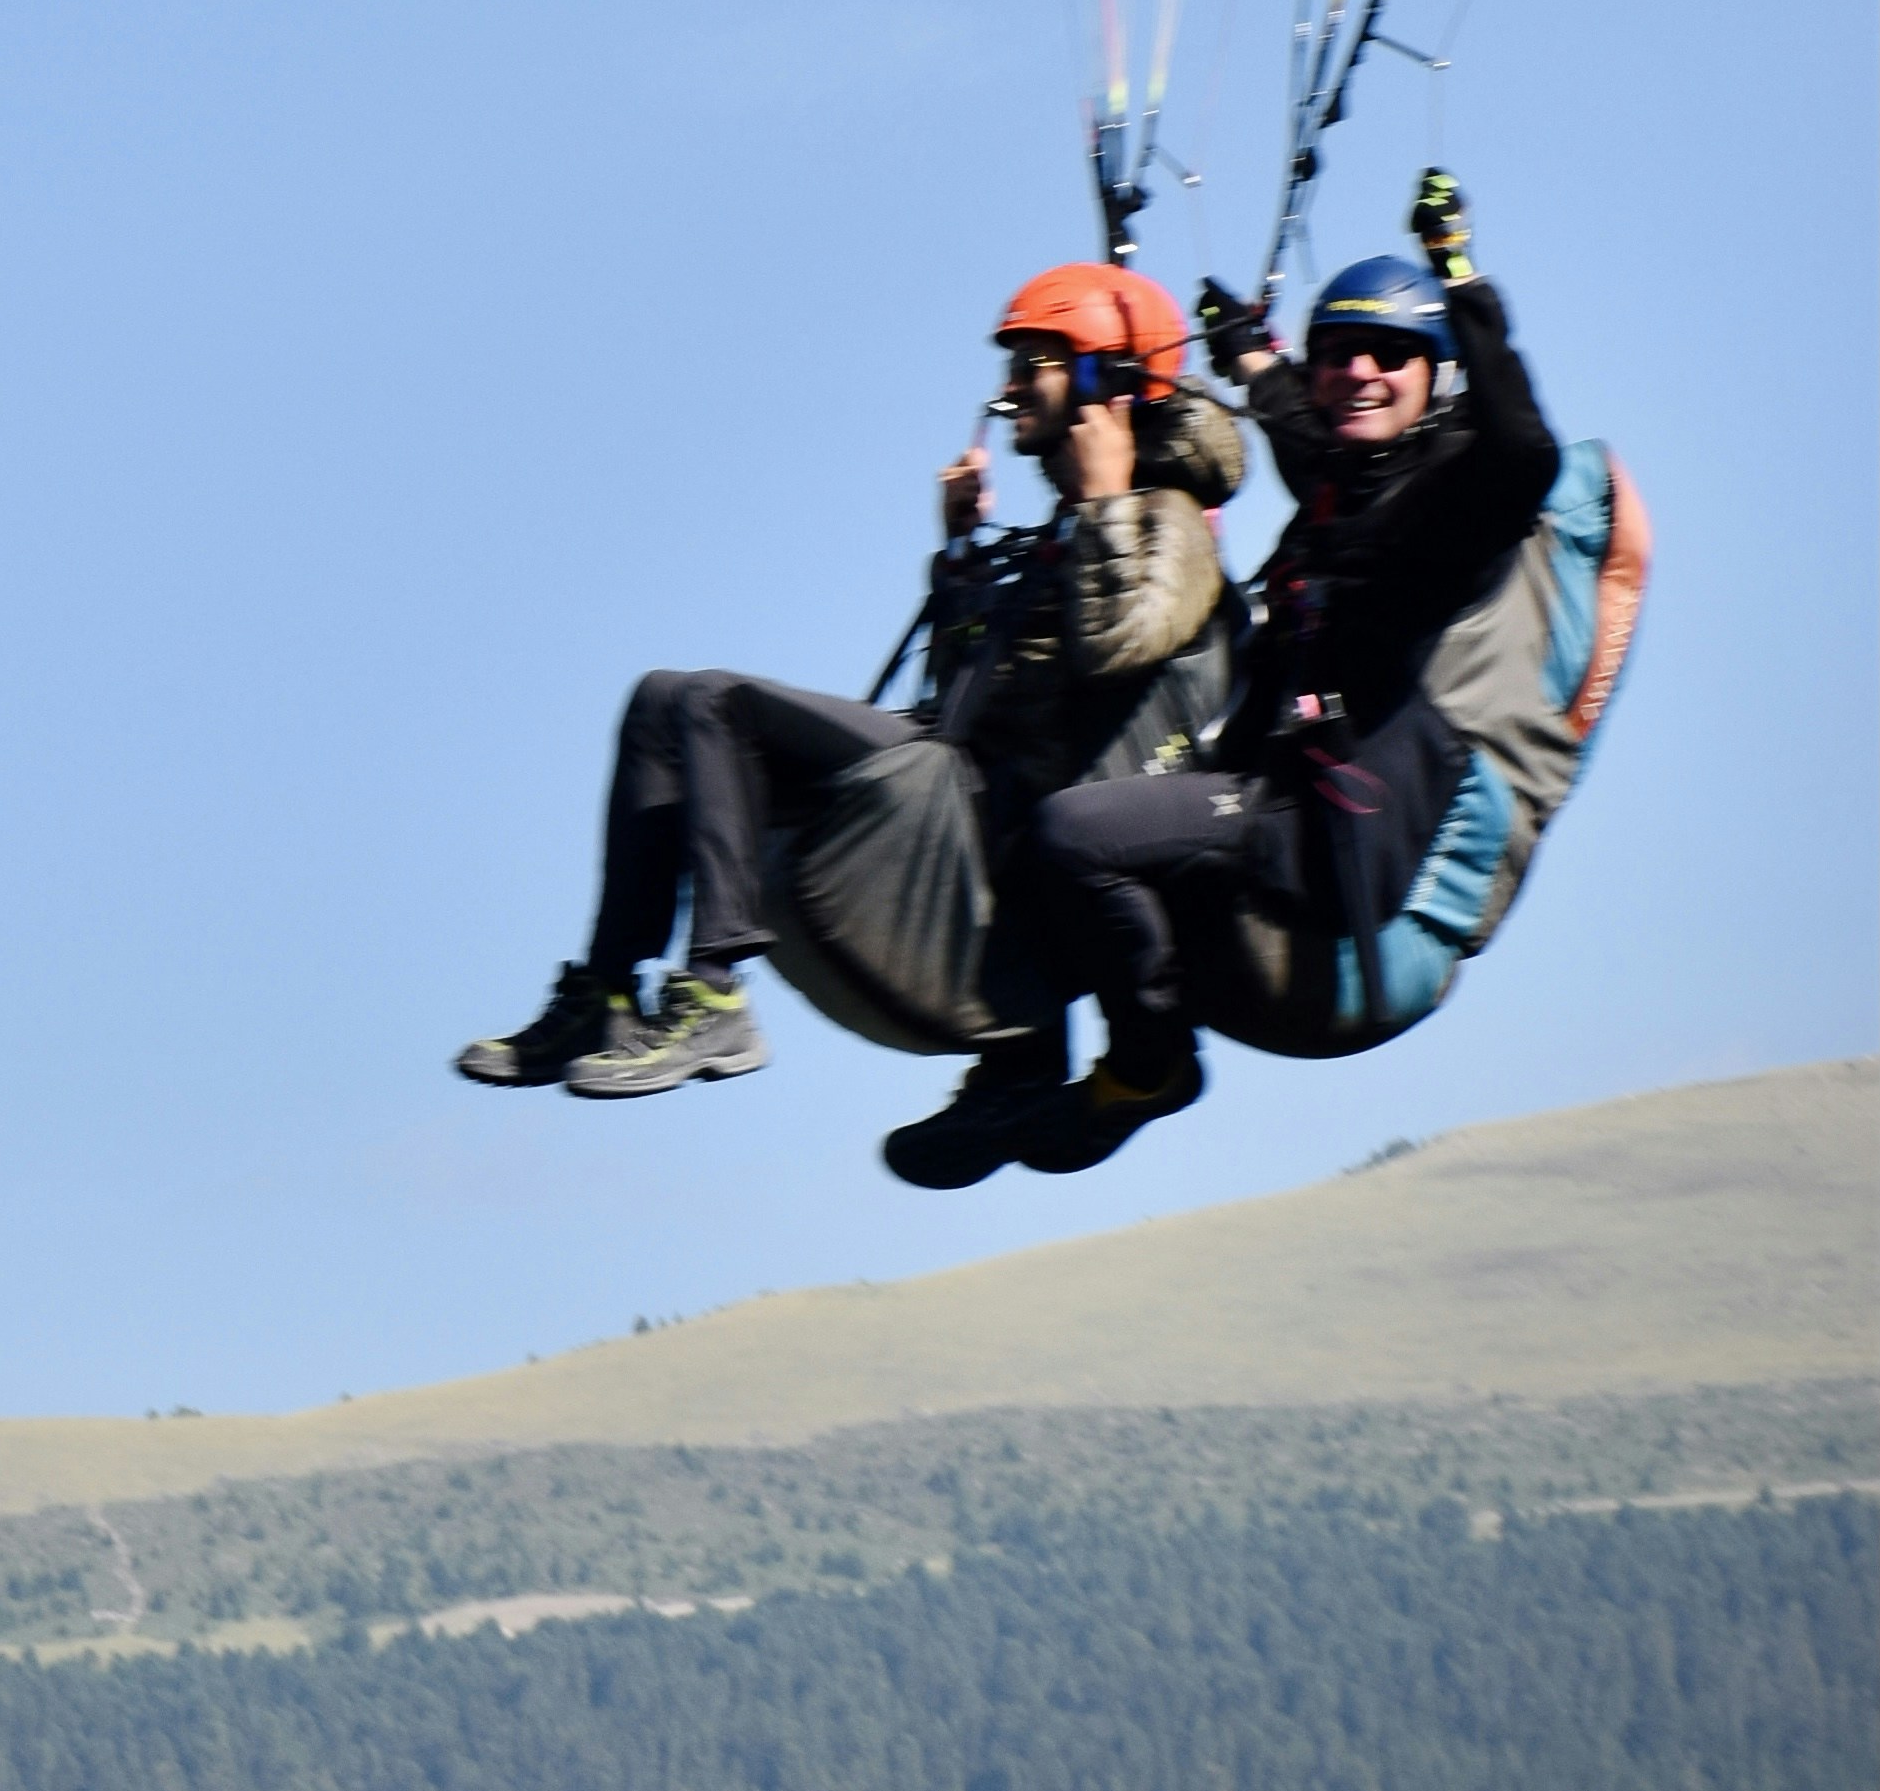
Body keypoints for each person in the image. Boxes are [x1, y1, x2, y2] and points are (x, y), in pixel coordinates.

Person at [454, 263, 1239, 1122]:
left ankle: (713, 995)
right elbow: (968, 684)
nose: (1009, 392)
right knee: (662, 700)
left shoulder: (1169, 519)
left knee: (717, 703)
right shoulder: (1067, 528)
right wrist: (960, 562)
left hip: (987, 816)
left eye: (1031, 367)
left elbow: (1118, 646)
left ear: (1103, 378)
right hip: (952, 771)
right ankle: (605, 990)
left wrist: (1100, 502)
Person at [1011, 170, 1560, 1177]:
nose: (1360, 371)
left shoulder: (1448, 507)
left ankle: (1149, 1061)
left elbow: (1525, 445)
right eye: (1341, 352)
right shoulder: (1336, 477)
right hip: (1264, 777)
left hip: (1320, 818)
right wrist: (1246, 347)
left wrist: (1458, 268)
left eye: (1392, 355)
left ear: (1433, 374)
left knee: (1071, 833)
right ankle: (1013, 1059)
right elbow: (1290, 412)